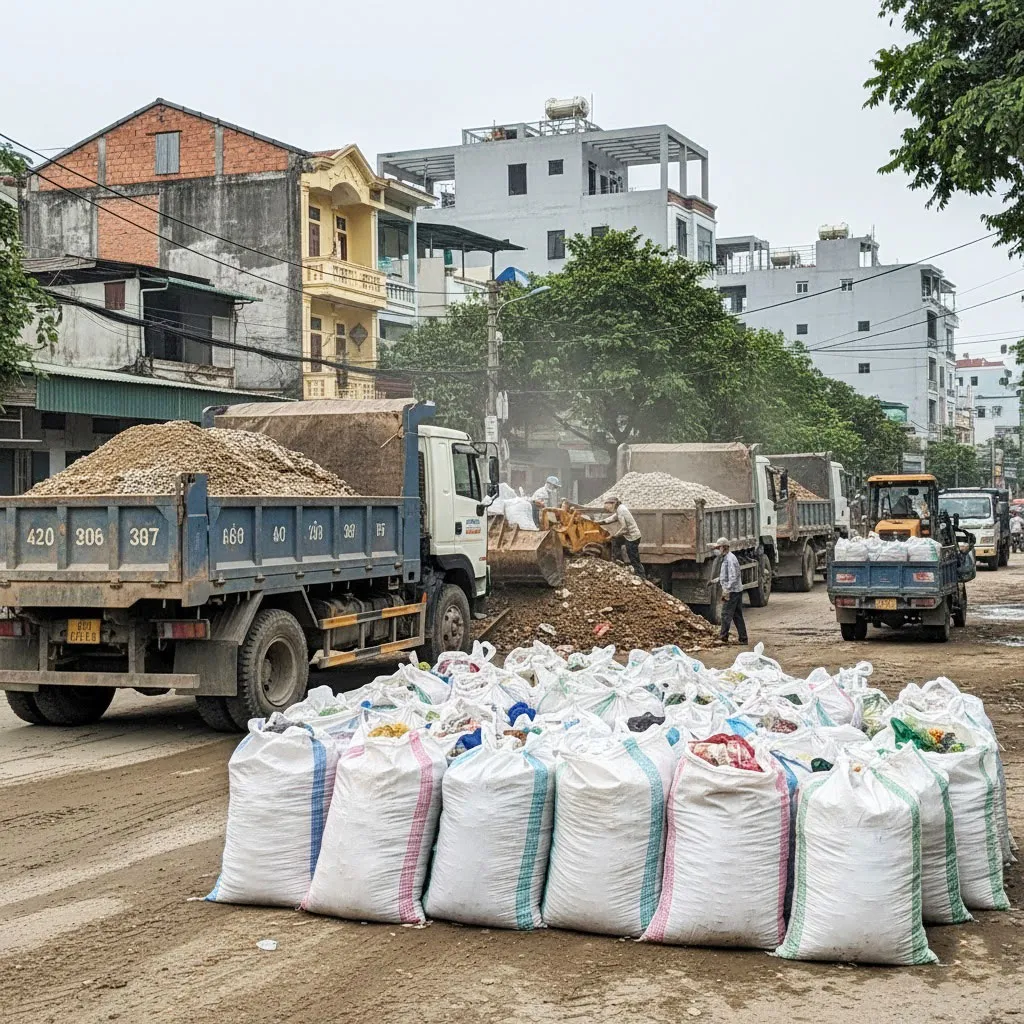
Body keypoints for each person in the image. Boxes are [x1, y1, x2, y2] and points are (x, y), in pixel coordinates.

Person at [598, 496, 644, 576]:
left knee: (634, 559)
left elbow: (625, 529)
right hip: (627, 535)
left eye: (607, 507)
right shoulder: (619, 509)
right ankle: (619, 562)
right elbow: (613, 518)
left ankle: (641, 576)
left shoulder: (621, 510)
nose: (607, 510)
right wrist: (599, 522)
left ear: (613, 503)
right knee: (615, 542)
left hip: (632, 538)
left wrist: (614, 536)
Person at [715, 537, 748, 645]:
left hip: (732, 591)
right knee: (737, 615)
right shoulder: (727, 558)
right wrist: (716, 580)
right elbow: (726, 574)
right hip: (735, 590)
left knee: (725, 614)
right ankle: (743, 639)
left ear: (724, 548)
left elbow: (734, 576)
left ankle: (723, 637)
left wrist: (727, 590)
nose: (717, 550)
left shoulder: (730, 559)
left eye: (718, 547)